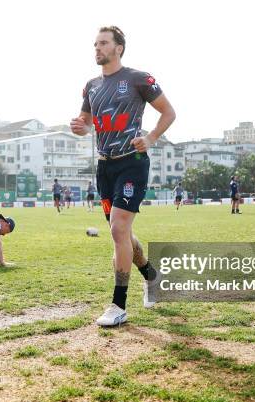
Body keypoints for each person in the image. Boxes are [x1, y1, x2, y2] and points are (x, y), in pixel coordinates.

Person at [70, 26, 176, 326]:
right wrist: (81, 127)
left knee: (118, 230)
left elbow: (168, 112)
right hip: (105, 168)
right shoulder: (90, 85)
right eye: (95, 44)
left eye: (103, 43)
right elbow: (87, 123)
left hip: (132, 162)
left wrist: (151, 138)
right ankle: (153, 278)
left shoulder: (139, 79)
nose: (97, 49)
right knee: (123, 235)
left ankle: (118, 306)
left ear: (119, 47)